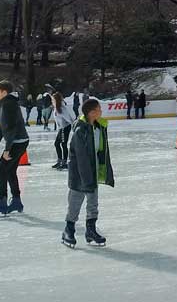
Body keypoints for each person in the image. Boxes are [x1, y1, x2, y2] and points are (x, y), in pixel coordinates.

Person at [62, 98, 113, 248]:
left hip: (93, 169)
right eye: (98, 109)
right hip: (80, 172)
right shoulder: (81, 130)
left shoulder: (98, 127)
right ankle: (68, 229)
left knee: (93, 202)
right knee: (75, 201)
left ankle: (90, 230)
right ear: (91, 113)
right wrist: (86, 178)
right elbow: (81, 156)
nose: (101, 111)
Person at [0, 80, 30, 217]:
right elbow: (2, 128)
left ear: (4, 92)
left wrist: (7, 149)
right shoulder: (7, 103)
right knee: (9, 171)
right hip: (19, 141)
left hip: (17, 142)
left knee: (0, 170)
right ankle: (16, 201)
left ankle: (2, 202)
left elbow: (12, 128)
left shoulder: (9, 104)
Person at [52, 91, 77, 170]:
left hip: (65, 128)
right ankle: (60, 160)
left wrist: (73, 126)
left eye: (53, 99)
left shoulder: (62, 108)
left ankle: (65, 162)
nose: (52, 101)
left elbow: (69, 119)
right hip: (61, 128)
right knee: (56, 144)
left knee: (63, 144)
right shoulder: (56, 108)